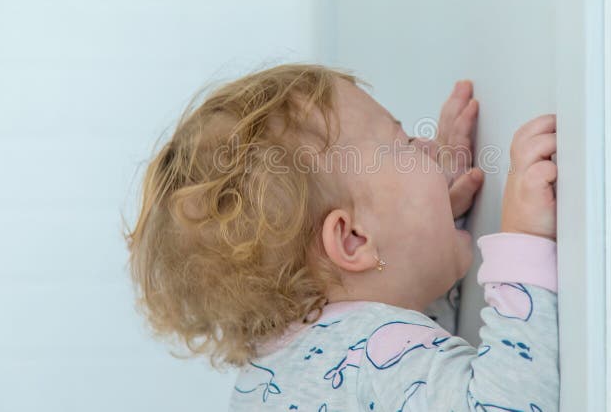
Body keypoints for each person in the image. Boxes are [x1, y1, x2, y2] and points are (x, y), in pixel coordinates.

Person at [126, 63, 559, 411]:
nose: (428, 146)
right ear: (353, 239)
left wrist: (439, 223)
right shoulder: (374, 351)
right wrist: (524, 239)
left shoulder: (270, 377)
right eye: (405, 144)